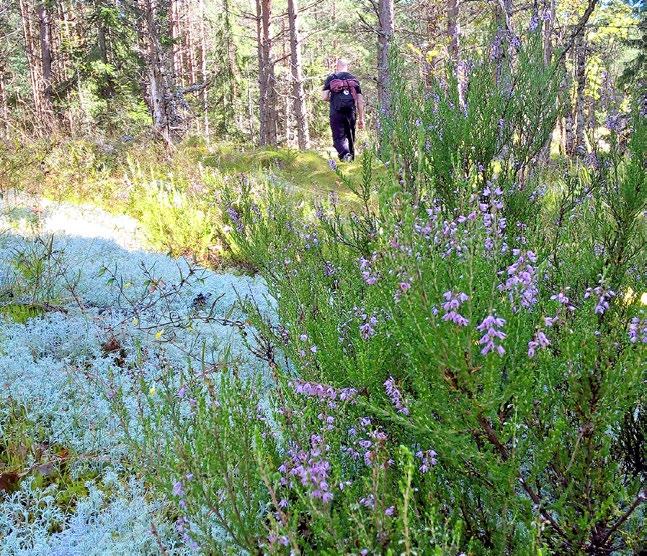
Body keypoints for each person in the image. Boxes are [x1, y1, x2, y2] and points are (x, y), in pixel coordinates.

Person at [322, 58, 365, 162]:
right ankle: (351, 160)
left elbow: (324, 97)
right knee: (350, 137)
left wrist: (334, 99)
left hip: (336, 112)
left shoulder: (331, 78)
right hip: (351, 112)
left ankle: (345, 156)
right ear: (347, 66)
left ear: (337, 66)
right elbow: (360, 100)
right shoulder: (354, 80)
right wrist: (361, 119)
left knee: (338, 138)